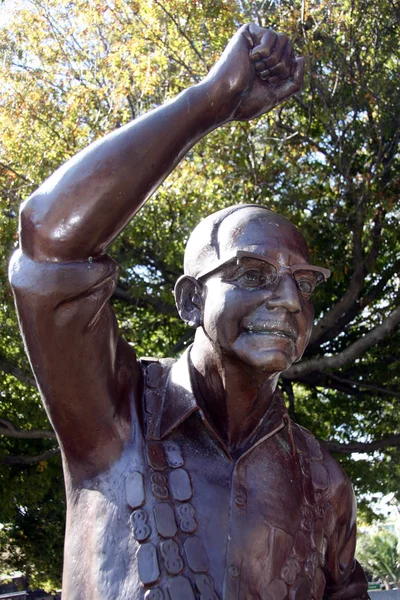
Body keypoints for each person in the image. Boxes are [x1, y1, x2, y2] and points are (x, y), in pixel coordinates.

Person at [9, 23, 369, 600]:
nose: (287, 299)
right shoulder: (113, 415)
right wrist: (209, 102)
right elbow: (50, 240)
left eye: (303, 283)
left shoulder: (324, 481)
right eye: (251, 274)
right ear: (190, 299)